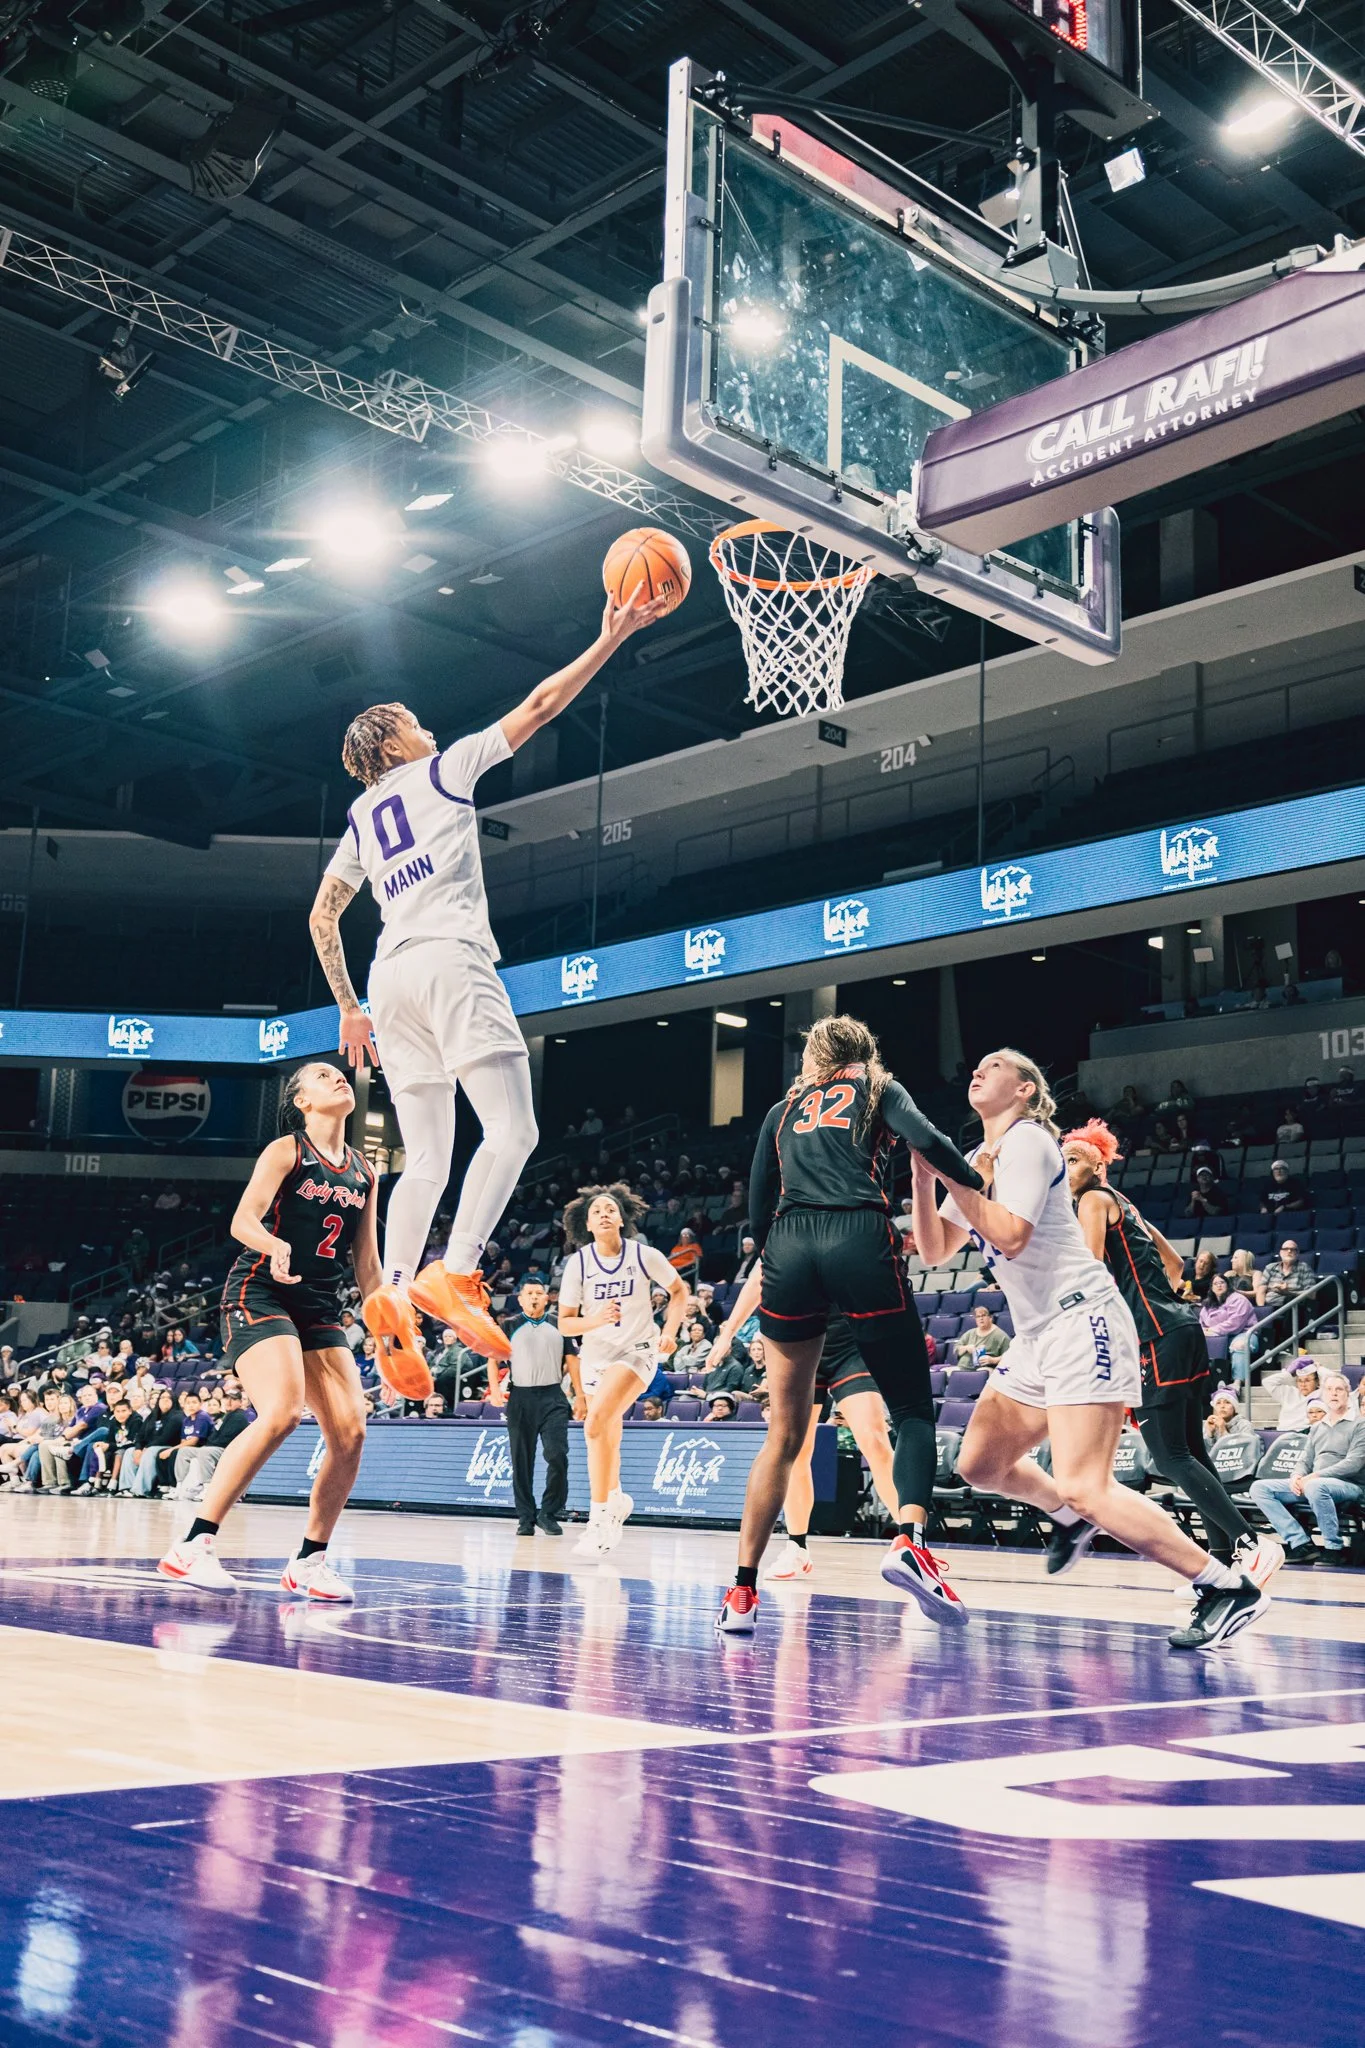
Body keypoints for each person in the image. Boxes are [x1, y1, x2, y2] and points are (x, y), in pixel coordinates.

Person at [307, 585, 669, 1373]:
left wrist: (348, 1008)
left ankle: (392, 1292)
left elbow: (321, 917)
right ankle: (458, 1268)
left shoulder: (361, 818)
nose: (428, 728)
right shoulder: (440, 771)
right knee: (513, 1129)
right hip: (448, 957)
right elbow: (540, 706)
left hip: (388, 979)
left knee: (425, 1159)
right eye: (413, 722)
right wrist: (610, 638)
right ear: (392, 745)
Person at [914, 1051, 1271, 1654]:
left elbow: (1010, 1235)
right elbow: (934, 1250)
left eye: (996, 1065)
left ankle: (1225, 1585)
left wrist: (953, 1178)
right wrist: (926, 1178)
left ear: (1025, 1090)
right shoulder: (976, 1159)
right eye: (977, 1064)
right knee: (979, 1464)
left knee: (1087, 1484)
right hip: (1037, 1335)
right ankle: (1068, 1515)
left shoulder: (1029, 1141)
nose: (979, 1069)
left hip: (1084, 1319)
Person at [716, 1014, 984, 1637]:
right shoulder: (878, 1088)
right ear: (866, 1053)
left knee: (784, 1436)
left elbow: (757, 1204)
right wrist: (974, 1183)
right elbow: (929, 1140)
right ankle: (911, 1544)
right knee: (912, 1411)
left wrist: (780, 1250)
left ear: (814, 1057)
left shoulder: (781, 1110)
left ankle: (742, 1591)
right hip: (856, 1234)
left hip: (787, 1247)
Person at [157, 1062, 383, 1600]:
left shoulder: (365, 1171)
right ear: (302, 1101)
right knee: (282, 1413)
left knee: (351, 1432)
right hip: (260, 1292)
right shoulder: (288, 1150)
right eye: (323, 1076)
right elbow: (243, 1221)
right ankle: (191, 1546)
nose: (338, 1078)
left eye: (339, 1074)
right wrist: (274, 1245)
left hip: (319, 1307)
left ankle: (309, 1562)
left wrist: (390, 1328)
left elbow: (368, 1264)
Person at [1063, 1120, 1277, 1588]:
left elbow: (1089, 1267)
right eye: (1063, 1159)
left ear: (1099, 1166)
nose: (1066, 1166)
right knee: (1192, 1451)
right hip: (1183, 1327)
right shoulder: (1127, 1205)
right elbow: (1176, 1264)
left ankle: (1251, 1543)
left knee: (1169, 1455)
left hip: (1156, 1334)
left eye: (1075, 1159)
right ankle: (1221, 1560)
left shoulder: (1092, 1200)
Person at [710, 1265, 901, 1582]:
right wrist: (728, 1333)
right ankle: (797, 1548)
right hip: (798, 1345)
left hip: (849, 1345)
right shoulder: (782, 1236)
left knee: (874, 1439)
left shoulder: (849, 1233)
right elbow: (758, 1279)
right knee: (795, 1451)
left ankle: (911, 1543)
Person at [558, 1184, 688, 1558]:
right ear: (586, 1223)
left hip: (637, 1351)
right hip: (594, 1357)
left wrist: (669, 1331)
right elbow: (565, 1324)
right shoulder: (578, 1263)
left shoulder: (644, 1255)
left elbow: (679, 1291)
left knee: (594, 1424)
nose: (603, 1213)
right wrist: (595, 1320)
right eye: (596, 1210)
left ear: (621, 1219)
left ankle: (599, 1519)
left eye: (610, 1209)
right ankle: (615, 1499)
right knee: (605, 1437)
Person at [1248, 1371, 1365, 1565]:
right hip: (1315, 1483)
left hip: (1349, 1485)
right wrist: (1296, 1476)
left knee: (1315, 1485)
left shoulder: (1360, 1424)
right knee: (1259, 1488)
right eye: (1329, 1389)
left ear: (1347, 1394)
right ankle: (1301, 1543)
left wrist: (1314, 1476)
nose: (1334, 1393)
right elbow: (1305, 1460)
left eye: (1339, 1389)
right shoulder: (1317, 1427)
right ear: (1323, 1395)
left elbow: (1354, 1463)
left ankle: (1333, 1548)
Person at [488, 1280, 570, 1537]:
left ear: (547, 1298)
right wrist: (494, 1389)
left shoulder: (560, 1324)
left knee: (557, 1454)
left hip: (553, 1396)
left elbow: (572, 1358)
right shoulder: (509, 1325)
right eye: (529, 1293)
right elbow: (493, 1358)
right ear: (520, 1299)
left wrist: (578, 1393)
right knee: (521, 1460)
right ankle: (525, 1517)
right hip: (520, 1397)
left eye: (539, 1293)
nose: (534, 1297)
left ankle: (549, 1513)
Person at [954, 1303, 1011, 1369]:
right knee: (947, 1371)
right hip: (961, 1368)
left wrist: (993, 1360)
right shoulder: (969, 1333)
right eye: (978, 1316)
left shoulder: (1000, 1335)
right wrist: (966, 1348)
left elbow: (1010, 1356)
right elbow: (956, 1350)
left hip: (984, 1370)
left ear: (990, 1318)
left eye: (983, 1315)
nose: (981, 1318)